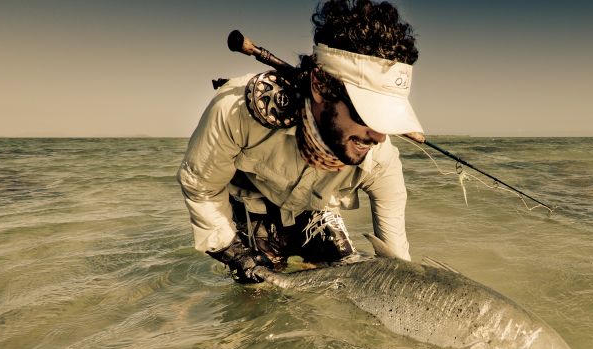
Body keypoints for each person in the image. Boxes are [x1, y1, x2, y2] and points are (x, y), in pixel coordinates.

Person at [177, 0, 422, 283]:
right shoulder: (234, 111)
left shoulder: (381, 157)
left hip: (315, 214)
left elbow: (396, 260)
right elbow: (201, 187)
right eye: (368, 113)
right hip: (251, 211)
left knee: (339, 288)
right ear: (320, 85)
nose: (379, 136)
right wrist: (233, 252)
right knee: (254, 306)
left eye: (387, 118)